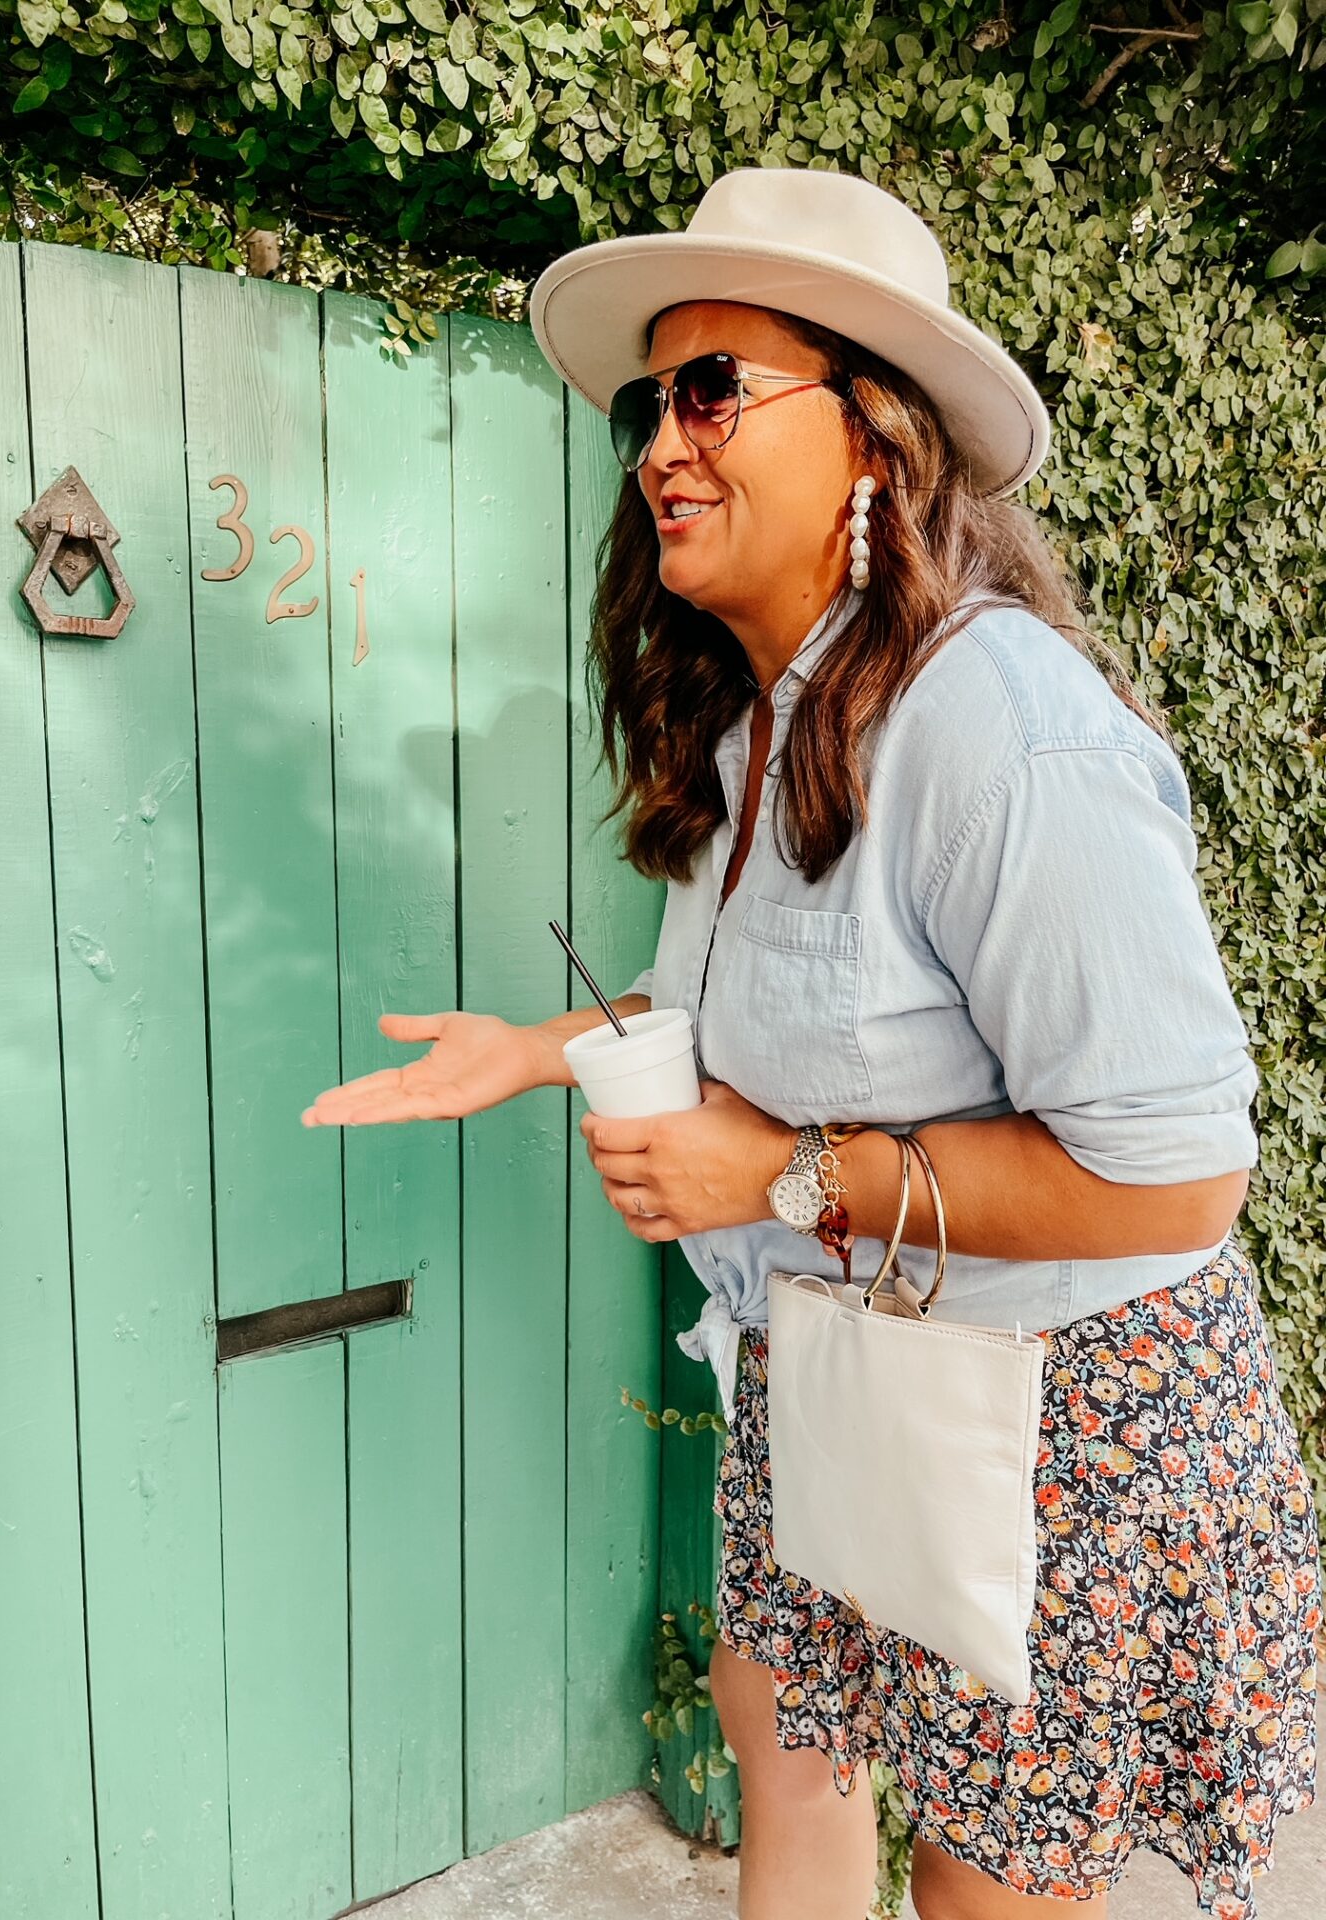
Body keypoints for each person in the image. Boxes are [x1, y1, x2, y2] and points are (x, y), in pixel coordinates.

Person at [302, 168, 1320, 1920]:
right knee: (780, 1740)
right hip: (836, 1367)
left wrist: (773, 1171)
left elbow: (1181, 1174)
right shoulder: (755, 720)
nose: (659, 444)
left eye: (716, 389)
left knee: (983, 1885)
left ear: (876, 441)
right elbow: (747, 1018)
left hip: (1051, 1415)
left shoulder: (1003, 730)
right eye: (647, 402)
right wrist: (543, 1046)